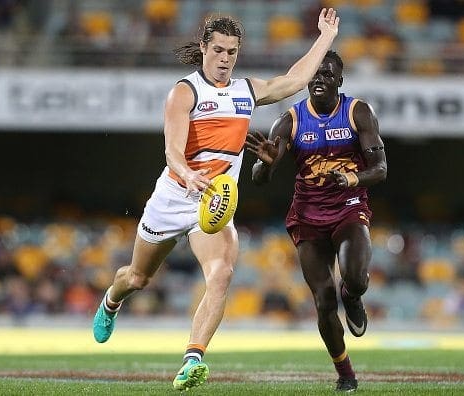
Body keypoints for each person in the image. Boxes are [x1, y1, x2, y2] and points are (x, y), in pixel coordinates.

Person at [92, 8, 340, 391]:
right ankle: (111, 300)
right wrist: (188, 173)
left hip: (214, 202)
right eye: (219, 50)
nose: (225, 59)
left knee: (221, 274)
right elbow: (172, 149)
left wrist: (325, 37)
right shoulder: (185, 91)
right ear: (204, 48)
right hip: (174, 196)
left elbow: (295, 79)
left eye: (232, 53)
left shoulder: (245, 92)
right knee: (137, 277)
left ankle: (192, 359)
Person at [246, 50, 387, 392]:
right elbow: (259, 177)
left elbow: (380, 169)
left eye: (328, 74)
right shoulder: (290, 121)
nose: (320, 78)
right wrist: (265, 164)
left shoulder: (358, 112)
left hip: (349, 207)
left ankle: (352, 296)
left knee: (355, 278)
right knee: (323, 300)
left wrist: (352, 179)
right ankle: (345, 373)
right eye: (315, 74)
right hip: (308, 216)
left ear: (340, 80)